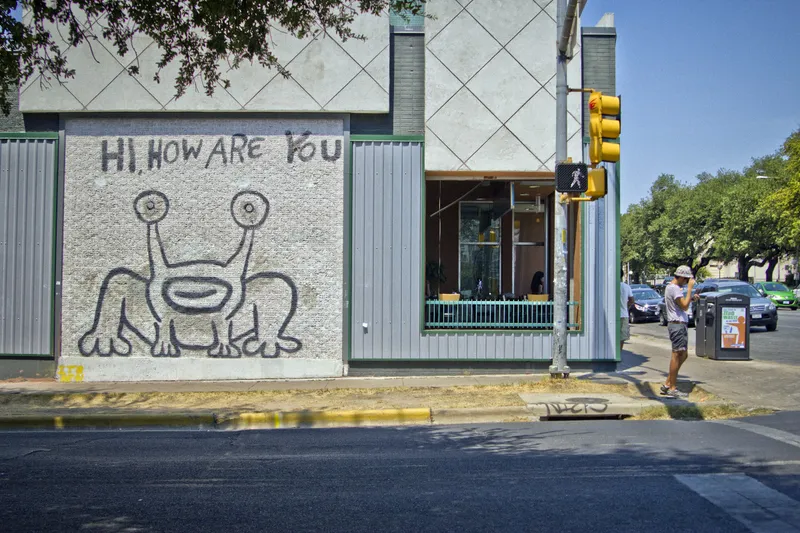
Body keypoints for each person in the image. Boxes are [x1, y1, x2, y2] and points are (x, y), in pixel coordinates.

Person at [661, 265, 699, 399]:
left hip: (678, 323)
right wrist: (689, 289)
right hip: (677, 324)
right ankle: (672, 388)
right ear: (682, 277)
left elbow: (681, 303)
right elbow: (684, 306)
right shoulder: (675, 288)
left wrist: (691, 298)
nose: (687, 282)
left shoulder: (671, 288)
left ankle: (668, 383)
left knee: (683, 354)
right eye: (686, 280)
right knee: (677, 355)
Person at [620, 269, 634, 352]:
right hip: (623, 314)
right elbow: (632, 300)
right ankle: (619, 354)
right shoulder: (626, 286)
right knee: (621, 338)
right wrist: (626, 306)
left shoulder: (609, 286)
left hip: (612, 315)